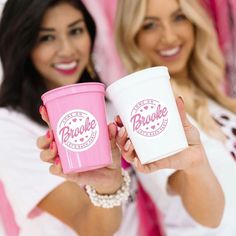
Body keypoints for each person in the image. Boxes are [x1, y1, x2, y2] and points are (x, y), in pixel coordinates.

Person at [0, 0, 132, 235]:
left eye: (75, 31)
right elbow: (91, 228)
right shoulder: (9, 126)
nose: (68, 50)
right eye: (47, 38)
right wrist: (108, 186)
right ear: (23, 44)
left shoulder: (111, 104)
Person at [115, 0, 236, 235]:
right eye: (150, 25)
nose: (168, 36)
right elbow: (209, 217)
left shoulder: (212, 98)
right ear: (132, 36)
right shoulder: (147, 110)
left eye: (179, 17)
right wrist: (196, 166)